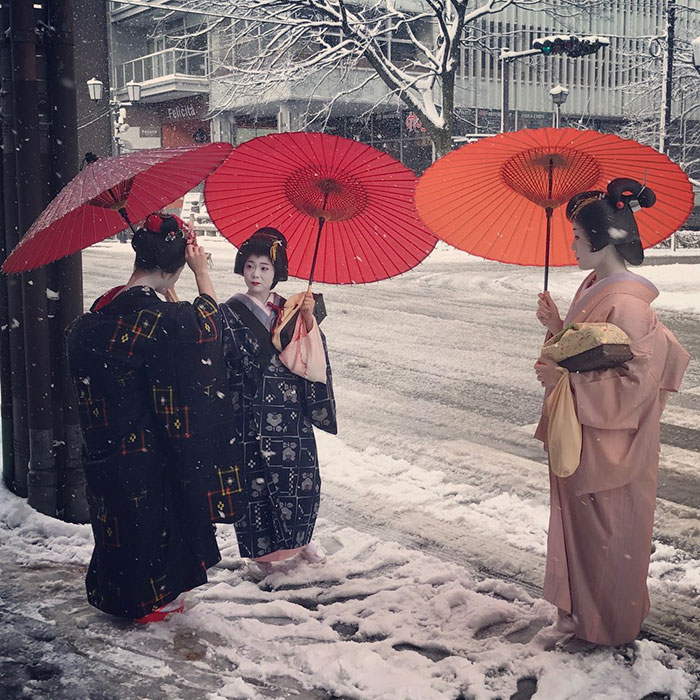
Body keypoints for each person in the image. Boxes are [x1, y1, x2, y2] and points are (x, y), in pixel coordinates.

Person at [533, 179, 690, 648]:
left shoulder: (627, 307)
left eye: (578, 238)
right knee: (585, 530)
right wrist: (559, 327)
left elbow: (633, 387)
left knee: (608, 535)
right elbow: (587, 351)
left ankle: (606, 627)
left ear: (601, 241)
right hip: (588, 434)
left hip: (611, 442)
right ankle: (581, 613)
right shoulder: (597, 288)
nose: (573, 246)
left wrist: (566, 382)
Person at [66, 213, 233, 622]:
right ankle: (149, 604)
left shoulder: (98, 314)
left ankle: (117, 597)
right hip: (144, 449)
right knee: (151, 527)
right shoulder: (162, 321)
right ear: (173, 270)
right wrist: (202, 274)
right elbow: (210, 329)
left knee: (116, 527)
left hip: (103, 444)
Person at [218, 228, 337, 579]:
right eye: (251, 266)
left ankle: (302, 540)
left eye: (265, 268)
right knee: (255, 482)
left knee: (301, 476)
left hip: (290, 408)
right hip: (250, 409)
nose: (256, 274)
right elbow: (222, 357)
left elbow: (310, 353)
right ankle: (262, 552)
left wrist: (309, 320)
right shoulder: (229, 311)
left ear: (277, 273)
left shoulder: (291, 309)